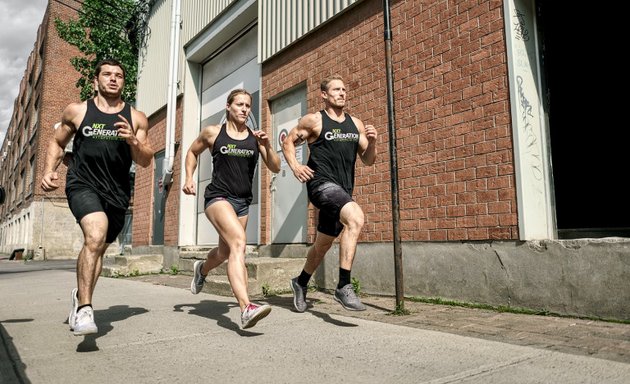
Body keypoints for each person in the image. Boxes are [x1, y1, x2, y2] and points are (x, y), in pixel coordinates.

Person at [41, 59, 153, 336]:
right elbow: (57, 142)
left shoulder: (136, 118)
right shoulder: (77, 111)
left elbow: (146, 160)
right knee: (95, 234)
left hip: (116, 192)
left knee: (99, 246)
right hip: (82, 184)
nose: (113, 79)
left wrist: (134, 142)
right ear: (96, 81)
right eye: (107, 74)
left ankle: (79, 296)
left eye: (119, 75)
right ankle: (85, 309)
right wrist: (48, 170)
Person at [183, 89, 281, 329]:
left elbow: (276, 167)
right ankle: (246, 307)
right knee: (239, 244)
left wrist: (267, 145)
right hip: (217, 197)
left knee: (226, 252)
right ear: (228, 106)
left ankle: (202, 269)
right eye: (239, 104)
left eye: (248, 105)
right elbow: (192, 152)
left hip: (242, 202)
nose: (245, 109)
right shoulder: (213, 133)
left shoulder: (255, 138)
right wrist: (188, 177)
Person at [282, 74, 377, 313]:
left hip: (342, 190)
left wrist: (373, 142)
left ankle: (300, 282)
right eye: (336, 89)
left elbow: (368, 160)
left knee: (323, 244)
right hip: (321, 185)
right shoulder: (314, 121)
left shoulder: (355, 124)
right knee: (355, 217)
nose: (342, 93)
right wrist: (295, 166)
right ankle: (344, 286)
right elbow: (288, 142)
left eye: (344, 89)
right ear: (324, 95)